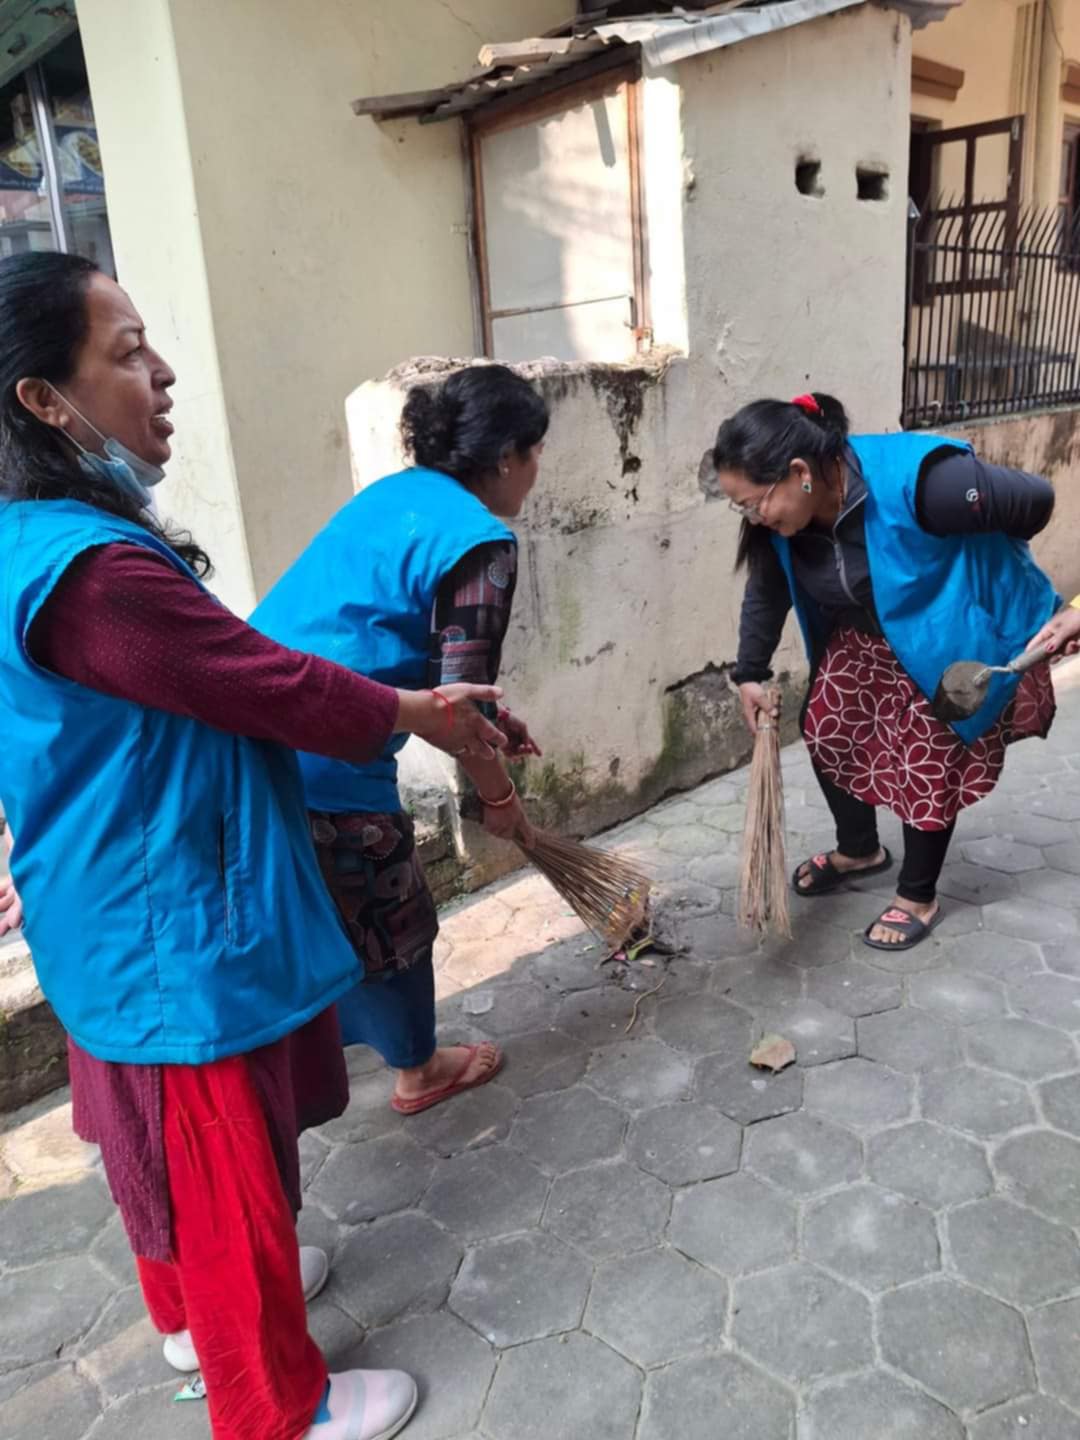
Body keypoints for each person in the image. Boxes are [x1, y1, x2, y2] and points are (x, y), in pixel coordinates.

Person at [0, 251, 508, 1440]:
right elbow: (255, 679)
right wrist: (417, 712)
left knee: (158, 1143)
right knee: (222, 1163)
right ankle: (276, 1406)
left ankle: (187, 1318)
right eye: (125, 352)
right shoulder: (95, 573)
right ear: (42, 399)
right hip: (167, 910)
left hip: (104, 894)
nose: (163, 372)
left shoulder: (32, 537)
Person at [251, 365, 546, 1114]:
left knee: (311, 910)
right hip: (327, 750)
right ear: (507, 455)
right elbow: (455, 712)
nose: (537, 471)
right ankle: (420, 1070)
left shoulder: (393, 495)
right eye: (536, 451)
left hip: (253, 731)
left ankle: (309, 1066)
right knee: (392, 912)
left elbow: (417, 658)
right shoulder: (483, 542)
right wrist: (501, 802)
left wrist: (496, 732)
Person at [716, 391, 1060, 951]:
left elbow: (1035, 500)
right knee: (825, 725)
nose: (754, 517)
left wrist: (995, 574)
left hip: (943, 634)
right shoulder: (786, 526)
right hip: (872, 632)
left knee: (925, 755)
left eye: (755, 503)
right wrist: (748, 673)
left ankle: (918, 895)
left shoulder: (928, 484)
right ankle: (860, 850)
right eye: (743, 509)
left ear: (799, 473)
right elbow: (767, 588)